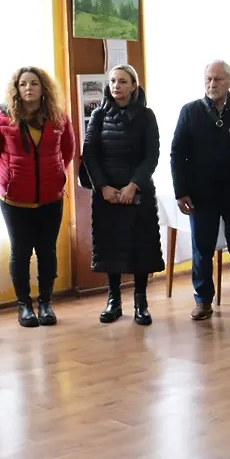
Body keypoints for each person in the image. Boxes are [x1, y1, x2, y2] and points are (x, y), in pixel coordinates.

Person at [171, 60, 230, 321]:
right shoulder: (190, 111)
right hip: (201, 196)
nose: (212, 84)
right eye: (208, 79)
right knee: (202, 250)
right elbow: (177, 154)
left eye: (218, 79)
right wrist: (180, 191)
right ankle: (203, 300)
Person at [0, 66, 75, 327]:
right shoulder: (2, 118)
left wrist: (56, 176)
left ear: (43, 88)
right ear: (16, 89)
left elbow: (68, 151)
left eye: (34, 83)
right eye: (23, 84)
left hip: (51, 197)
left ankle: (46, 303)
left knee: (47, 251)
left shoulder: (58, 117)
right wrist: (6, 179)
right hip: (14, 199)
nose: (29, 88)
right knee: (21, 252)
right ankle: (24, 305)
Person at [82, 64, 164, 326]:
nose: (116, 86)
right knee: (110, 248)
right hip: (107, 194)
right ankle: (113, 301)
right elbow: (89, 154)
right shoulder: (98, 115)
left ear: (133, 86)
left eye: (122, 81)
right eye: (113, 81)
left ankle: (141, 302)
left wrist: (133, 185)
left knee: (141, 247)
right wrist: (103, 187)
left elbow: (152, 155)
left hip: (138, 192)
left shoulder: (147, 116)